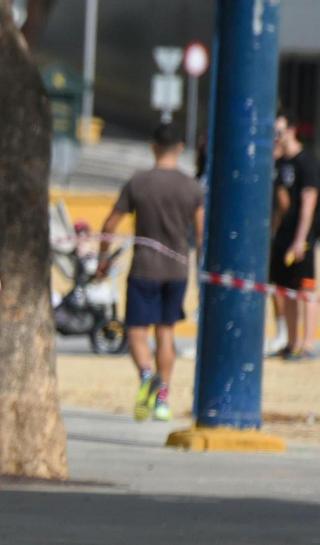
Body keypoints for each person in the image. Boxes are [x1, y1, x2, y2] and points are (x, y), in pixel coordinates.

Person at [97, 123, 204, 422]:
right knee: (166, 332)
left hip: (144, 268)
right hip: (177, 270)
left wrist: (103, 261)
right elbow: (201, 234)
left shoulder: (138, 183)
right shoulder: (192, 187)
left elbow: (109, 225)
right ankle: (163, 399)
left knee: (136, 332)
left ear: (153, 146)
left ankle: (146, 376)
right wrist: (201, 274)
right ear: (180, 147)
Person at [267, 112, 320, 361]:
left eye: (279, 132)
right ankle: (291, 343)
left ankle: (307, 345)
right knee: (286, 290)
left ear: (292, 131)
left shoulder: (306, 162)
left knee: (306, 290)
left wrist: (300, 240)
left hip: (302, 236)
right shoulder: (280, 163)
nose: (275, 137)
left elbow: (308, 203)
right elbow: (281, 204)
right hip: (283, 235)